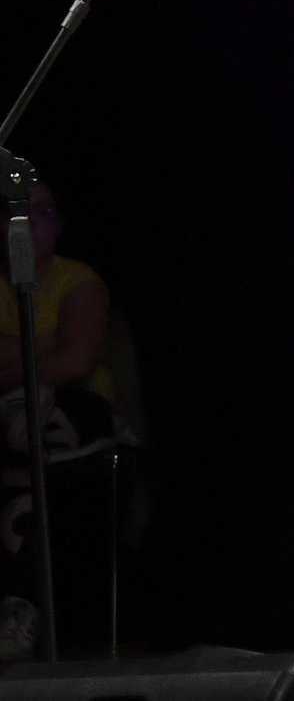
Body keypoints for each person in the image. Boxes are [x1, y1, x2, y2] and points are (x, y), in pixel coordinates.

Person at [0, 180, 116, 660]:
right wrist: (48, 344)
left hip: (77, 412)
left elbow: (76, 361)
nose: (33, 221)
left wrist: (21, 353)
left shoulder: (79, 281)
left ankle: (29, 610)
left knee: (40, 436)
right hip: (10, 413)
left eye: (44, 211)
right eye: (20, 210)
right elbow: (55, 352)